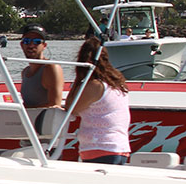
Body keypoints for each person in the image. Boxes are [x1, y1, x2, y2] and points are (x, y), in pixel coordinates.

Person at [67, 36, 131, 165]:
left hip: (99, 147)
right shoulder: (116, 83)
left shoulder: (95, 86)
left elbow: (71, 108)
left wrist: (78, 79)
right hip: (120, 147)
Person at [18, 24, 63, 108]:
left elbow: (55, 106)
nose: (31, 45)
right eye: (27, 41)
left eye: (37, 42)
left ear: (44, 46)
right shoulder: (25, 72)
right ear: (21, 45)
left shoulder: (51, 68)